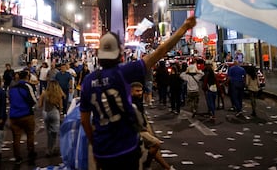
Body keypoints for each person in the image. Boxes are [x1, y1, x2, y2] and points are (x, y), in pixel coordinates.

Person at [80, 16, 196, 170]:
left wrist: (95, 145)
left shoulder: (88, 81)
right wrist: (184, 27)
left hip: (103, 150)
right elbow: (160, 51)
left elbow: (84, 121)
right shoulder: (123, 72)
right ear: (119, 54)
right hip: (126, 147)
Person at [131, 82, 175, 170]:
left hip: (141, 128)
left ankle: (166, 168)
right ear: (130, 91)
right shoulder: (129, 103)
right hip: (136, 131)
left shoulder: (137, 100)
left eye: (141, 90)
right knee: (156, 144)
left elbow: (142, 116)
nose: (140, 93)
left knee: (154, 147)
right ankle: (146, 165)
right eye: (137, 91)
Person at [8, 70, 37, 165]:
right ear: (27, 77)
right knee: (30, 134)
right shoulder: (28, 86)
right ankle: (31, 152)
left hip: (14, 116)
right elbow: (33, 100)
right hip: (26, 114)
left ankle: (17, 157)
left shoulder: (12, 88)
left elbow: (10, 99)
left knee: (16, 137)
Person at [38, 80, 64, 157]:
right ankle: (52, 149)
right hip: (54, 113)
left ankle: (48, 150)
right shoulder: (58, 94)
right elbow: (60, 107)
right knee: (54, 133)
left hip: (45, 113)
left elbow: (40, 105)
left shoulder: (44, 93)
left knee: (48, 133)